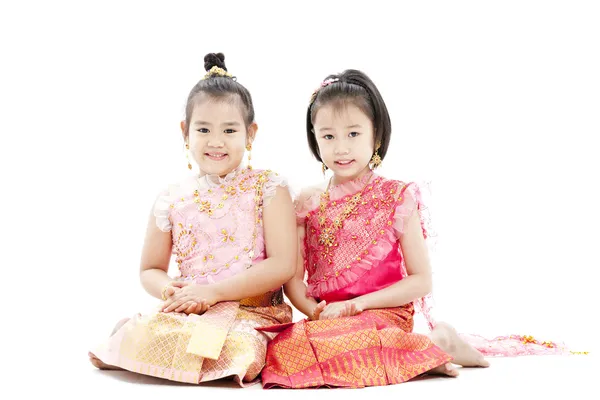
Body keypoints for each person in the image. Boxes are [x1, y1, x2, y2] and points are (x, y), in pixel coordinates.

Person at [88, 52, 296, 387]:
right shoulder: (172, 198)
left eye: (229, 130)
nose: (216, 141)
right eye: (203, 129)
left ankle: (152, 352)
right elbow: (150, 270)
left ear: (251, 133)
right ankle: (139, 338)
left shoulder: (268, 187)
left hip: (253, 313)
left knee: (238, 350)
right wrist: (173, 290)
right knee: (149, 333)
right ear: (185, 132)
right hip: (193, 312)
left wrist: (213, 292)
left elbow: (283, 264)